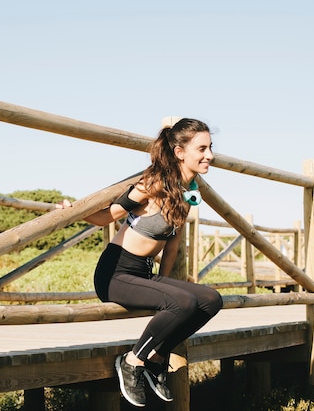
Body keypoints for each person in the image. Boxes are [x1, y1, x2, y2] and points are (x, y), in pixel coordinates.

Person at [60, 118, 223, 407]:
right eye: (202, 148)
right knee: (183, 303)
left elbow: (172, 243)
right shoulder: (153, 183)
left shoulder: (188, 193)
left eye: (210, 147)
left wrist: (168, 285)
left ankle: (157, 358)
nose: (209, 155)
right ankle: (133, 361)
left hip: (144, 274)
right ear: (179, 152)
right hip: (115, 273)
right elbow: (106, 216)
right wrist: (71, 212)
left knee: (210, 299)